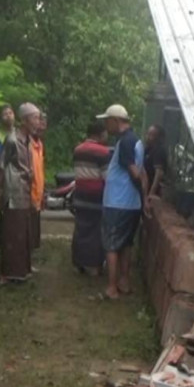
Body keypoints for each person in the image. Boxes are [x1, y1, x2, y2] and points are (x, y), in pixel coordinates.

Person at [98, 104, 146, 300]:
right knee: (126, 243)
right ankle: (124, 282)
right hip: (131, 204)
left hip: (118, 202)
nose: (105, 125)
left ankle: (111, 287)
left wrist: (141, 190)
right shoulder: (136, 140)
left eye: (107, 121)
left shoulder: (125, 141)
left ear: (116, 121)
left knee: (111, 245)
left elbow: (135, 172)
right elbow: (143, 171)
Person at [0, 103, 39, 284]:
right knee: (12, 233)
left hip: (25, 190)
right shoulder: (12, 140)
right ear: (25, 120)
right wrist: (0, 193)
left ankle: (22, 270)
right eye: (35, 118)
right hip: (13, 192)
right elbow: (1, 166)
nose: (38, 122)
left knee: (24, 233)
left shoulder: (28, 139)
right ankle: (8, 273)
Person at [71, 121, 111, 275]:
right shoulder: (103, 152)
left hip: (80, 194)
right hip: (96, 197)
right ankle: (93, 265)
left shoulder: (78, 150)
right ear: (100, 134)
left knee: (81, 229)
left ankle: (78, 261)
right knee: (95, 231)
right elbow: (107, 177)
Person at [29, 111, 46, 251]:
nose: (41, 129)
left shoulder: (39, 144)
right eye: (39, 126)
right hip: (28, 196)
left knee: (34, 232)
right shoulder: (26, 144)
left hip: (37, 195)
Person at [143, 124, 169, 206]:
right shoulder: (147, 149)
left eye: (151, 135)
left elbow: (159, 173)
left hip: (154, 193)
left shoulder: (159, 150)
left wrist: (151, 194)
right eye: (147, 133)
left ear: (158, 137)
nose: (147, 137)